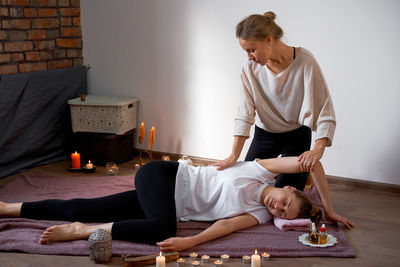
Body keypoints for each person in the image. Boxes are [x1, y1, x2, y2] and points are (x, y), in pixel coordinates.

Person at [0, 157, 353, 252]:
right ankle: (84, 233)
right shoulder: (259, 169)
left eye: (282, 214)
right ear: (288, 188)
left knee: (82, 206)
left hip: (162, 202)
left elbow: (223, 227)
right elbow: (313, 163)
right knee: (161, 228)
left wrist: (190, 242)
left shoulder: (258, 215)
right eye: (285, 202)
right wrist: (331, 208)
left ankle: (8, 208)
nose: (277, 208)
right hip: (163, 177)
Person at [213, 11, 336, 191]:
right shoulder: (249, 69)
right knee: (244, 189)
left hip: (297, 136)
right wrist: (233, 155)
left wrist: (316, 151)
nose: (249, 57)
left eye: (251, 50)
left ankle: (306, 183)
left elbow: (325, 113)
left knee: (285, 196)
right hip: (265, 135)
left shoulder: (305, 63)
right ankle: (296, 178)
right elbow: (244, 114)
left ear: (268, 41)